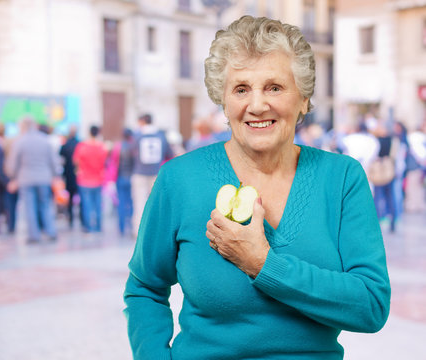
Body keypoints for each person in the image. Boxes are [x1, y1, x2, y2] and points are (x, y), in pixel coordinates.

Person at [124, 16, 391, 359]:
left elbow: (370, 305)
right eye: (241, 89)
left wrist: (262, 263)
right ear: (223, 102)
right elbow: (144, 287)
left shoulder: (341, 178)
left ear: (304, 100)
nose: (257, 105)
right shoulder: (180, 179)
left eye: (274, 87)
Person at [5, 116, 60, 243]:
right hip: (44, 178)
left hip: (26, 178)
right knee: (45, 205)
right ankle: (51, 231)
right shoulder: (44, 140)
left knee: (29, 207)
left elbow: (13, 164)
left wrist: (12, 176)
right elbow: (53, 161)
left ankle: (34, 235)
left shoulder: (20, 141)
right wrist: (55, 175)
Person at [131, 113, 173, 236]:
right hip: (156, 172)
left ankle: (138, 230)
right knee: (157, 203)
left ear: (142, 122)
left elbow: (130, 152)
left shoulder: (137, 136)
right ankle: (158, 230)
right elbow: (169, 154)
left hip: (139, 172)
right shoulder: (161, 136)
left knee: (139, 202)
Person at [72, 125, 108, 233]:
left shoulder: (82, 146)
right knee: (98, 204)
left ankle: (88, 227)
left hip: (84, 180)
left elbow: (76, 161)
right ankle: (98, 226)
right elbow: (105, 162)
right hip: (98, 179)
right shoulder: (102, 147)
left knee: (86, 204)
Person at [107, 128, 134, 236]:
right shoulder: (133, 146)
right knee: (132, 203)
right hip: (131, 177)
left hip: (120, 177)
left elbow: (113, 162)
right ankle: (132, 225)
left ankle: (121, 227)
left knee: (121, 203)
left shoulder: (118, 147)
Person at [59, 124, 80, 229]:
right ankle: (82, 218)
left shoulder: (65, 145)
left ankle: (71, 219)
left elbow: (61, 159)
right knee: (81, 197)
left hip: (68, 175)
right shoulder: (79, 144)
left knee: (70, 198)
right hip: (78, 175)